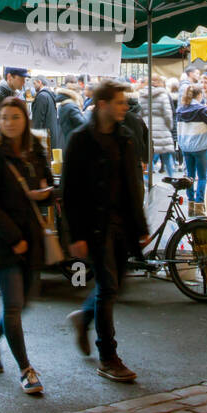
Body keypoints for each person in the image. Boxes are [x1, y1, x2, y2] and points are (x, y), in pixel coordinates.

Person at [62, 80, 150, 383]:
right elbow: (69, 192)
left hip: (122, 225)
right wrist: (76, 236)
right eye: (120, 102)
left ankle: (84, 316)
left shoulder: (125, 138)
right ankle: (108, 357)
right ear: (102, 105)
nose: (125, 106)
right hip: (96, 227)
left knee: (112, 287)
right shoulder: (79, 140)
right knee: (109, 288)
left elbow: (132, 186)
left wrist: (140, 227)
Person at [0, 97, 56, 396]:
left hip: (32, 239)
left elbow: (47, 186)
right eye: (5, 117)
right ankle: (26, 369)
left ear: (25, 120)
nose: (9, 122)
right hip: (4, 242)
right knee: (12, 306)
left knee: (24, 303)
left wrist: (45, 194)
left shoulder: (35, 150)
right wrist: (14, 238)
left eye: (15, 117)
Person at [176, 84, 207, 207]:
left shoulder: (180, 110)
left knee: (189, 175)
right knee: (202, 176)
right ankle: (199, 202)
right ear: (199, 95)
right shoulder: (201, 110)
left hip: (185, 147)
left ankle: (190, 200)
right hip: (200, 147)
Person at [141, 75, 177, 177]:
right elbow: (168, 114)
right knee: (166, 157)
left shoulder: (142, 94)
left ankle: (148, 182)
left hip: (147, 127)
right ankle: (172, 178)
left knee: (148, 157)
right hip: (162, 128)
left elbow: (140, 113)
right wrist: (169, 127)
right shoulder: (163, 95)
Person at [30, 76, 63, 154]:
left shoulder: (41, 96)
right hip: (51, 135)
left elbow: (38, 120)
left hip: (44, 138)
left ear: (39, 82)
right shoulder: (49, 95)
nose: (33, 86)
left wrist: (35, 140)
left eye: (34, 83)